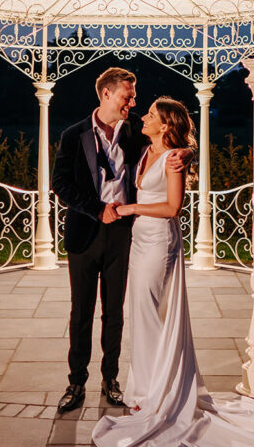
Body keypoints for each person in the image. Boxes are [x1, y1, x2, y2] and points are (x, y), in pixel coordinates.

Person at [91, 97, 254, 447]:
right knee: (140, 312)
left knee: (153, 312)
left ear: (165, 125)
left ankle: (161, 395)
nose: (145, 117)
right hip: (139, 240)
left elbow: (172, 207)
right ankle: (144, 390)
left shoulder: (172, 158)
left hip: (159, 240)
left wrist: (132, 208)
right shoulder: (146, 150)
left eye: (152, 114)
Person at [51, 67, 186, 413]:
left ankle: (111, 379)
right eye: (128, 96)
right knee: (81, 311)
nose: (133, 103)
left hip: (125, 236)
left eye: (134, 97)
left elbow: (171, 144)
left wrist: (190, 154)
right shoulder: (73, 135)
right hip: (85, 231)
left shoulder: (135, 134)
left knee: (115, 312)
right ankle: (76, 382)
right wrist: (98, 210)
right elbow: (61, 185)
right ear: (107, 94)